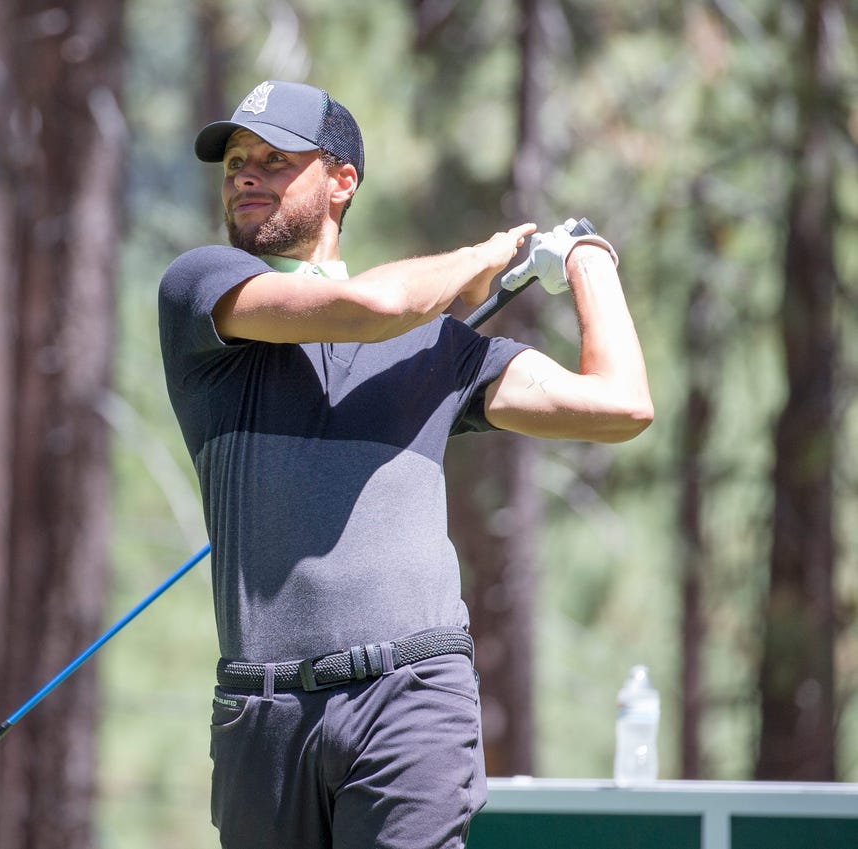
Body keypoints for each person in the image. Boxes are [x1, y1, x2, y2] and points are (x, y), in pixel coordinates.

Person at [158, 80, 652, 849]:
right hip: (261, 716)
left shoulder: (438, 349)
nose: (245, 174)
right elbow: (375, 307)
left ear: (341, 181)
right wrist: (483, 258)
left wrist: (588, 259)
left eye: (273, 159)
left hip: (411, 698)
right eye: (235, 163)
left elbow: (620, 405)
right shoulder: (202, 293)